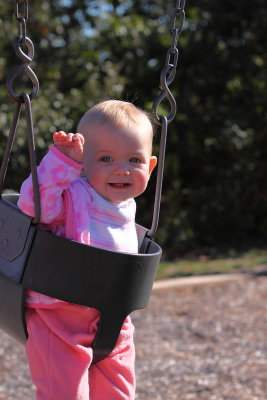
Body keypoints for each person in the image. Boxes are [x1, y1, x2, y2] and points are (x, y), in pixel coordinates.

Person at [18, 99, 157, 400]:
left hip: (114, 320)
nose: (121, 170)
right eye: (106, 159)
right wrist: (60, 163)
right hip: (59, 319)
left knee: (119, 394)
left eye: (134, 160)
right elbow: (32, 205)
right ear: (82, 163)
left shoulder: (128, 206)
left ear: (151, 165)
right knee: (65, 394)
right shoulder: (73, 195)